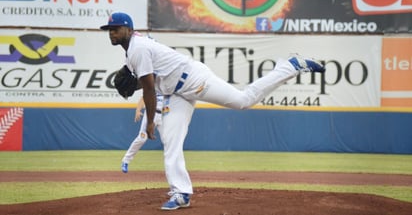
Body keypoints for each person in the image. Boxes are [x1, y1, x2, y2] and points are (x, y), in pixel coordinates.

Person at [100, 12, 325, 210]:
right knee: (171, 140)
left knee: (243, 101)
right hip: (175, 93)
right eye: (109, 30)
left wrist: (150, 121)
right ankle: (181, 193)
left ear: (129, 29)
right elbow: (150, 80)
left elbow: (149, 87)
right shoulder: (132, 51)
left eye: (116, 29)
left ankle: (290, 66)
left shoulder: (137, 48)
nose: (112, 33)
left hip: (195, 80)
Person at [121, 94, 163, 173]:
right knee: (142, 138)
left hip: (165, 115)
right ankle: (126, 161)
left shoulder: (169, 86)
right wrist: (138, 110)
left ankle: (175, 167)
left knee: (168, 141)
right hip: (151, 113)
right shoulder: (155, 84)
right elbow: (145, 96)